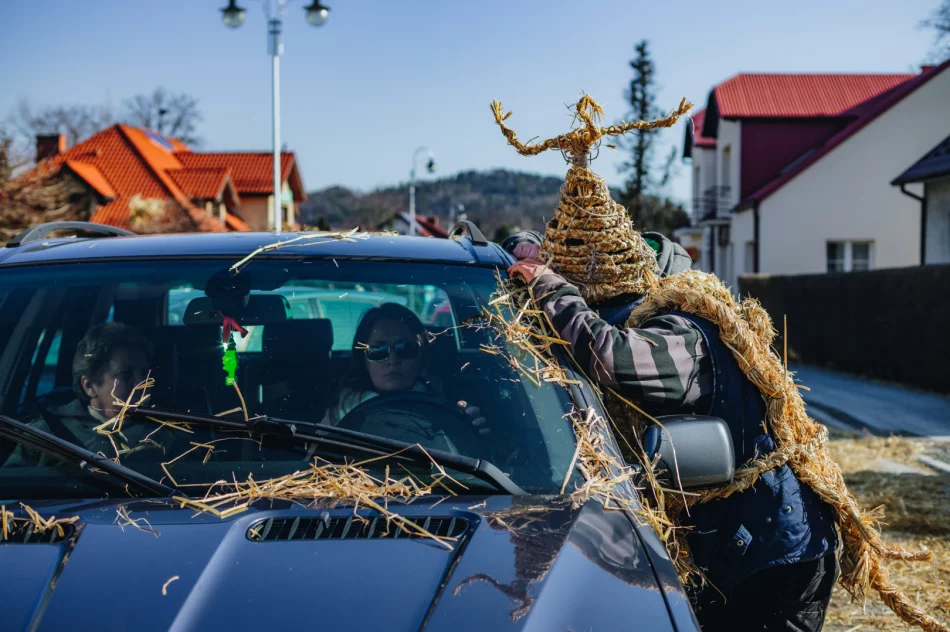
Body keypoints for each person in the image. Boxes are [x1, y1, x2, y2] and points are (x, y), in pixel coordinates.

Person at [506, 233, 839, 632]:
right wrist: (526, 248)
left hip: (771, 559)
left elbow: (608, 353)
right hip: (736, 551)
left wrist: (551, 286)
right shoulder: (684, 321)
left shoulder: (685, 334)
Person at [5, 322, 163, 466]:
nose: (142, 382)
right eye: (125, 375)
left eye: (145, 373)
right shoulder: (44, 435)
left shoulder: (167, 434)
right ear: (89, 386)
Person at [322, 302, 489, 436]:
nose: (392, 360)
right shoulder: (338, 414)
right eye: (378, 351)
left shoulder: (449, 407)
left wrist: (470, 433)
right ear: (364, 359)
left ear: (420, 356)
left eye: (405, 349)